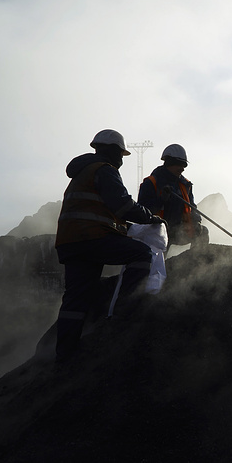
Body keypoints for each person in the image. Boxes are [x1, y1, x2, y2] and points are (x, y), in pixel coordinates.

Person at [54, 129, 163, 362]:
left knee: (76, 299)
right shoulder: (104, 170)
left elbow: (102, 212)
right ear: (113, 151)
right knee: (141, 254)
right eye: (121, 155)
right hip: (91, 238)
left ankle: (64, 354)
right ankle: (124, 311)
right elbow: (123, 205)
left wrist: (125, 227)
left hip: (71, 242)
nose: (122, 160)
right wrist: (150, 218)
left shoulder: (82, 173)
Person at [137, 144, 209, 251]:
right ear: (170, 163)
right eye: (180, 165)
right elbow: (142, 211)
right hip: (157, 230)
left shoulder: (185, 185)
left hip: (178, 230)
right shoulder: (151, 183)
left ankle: (196, 259)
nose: (182, 169)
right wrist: (162, 199)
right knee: (158, 256)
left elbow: (192, 208)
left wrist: (196, 220)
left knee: (202, 231)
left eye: (184, 165)